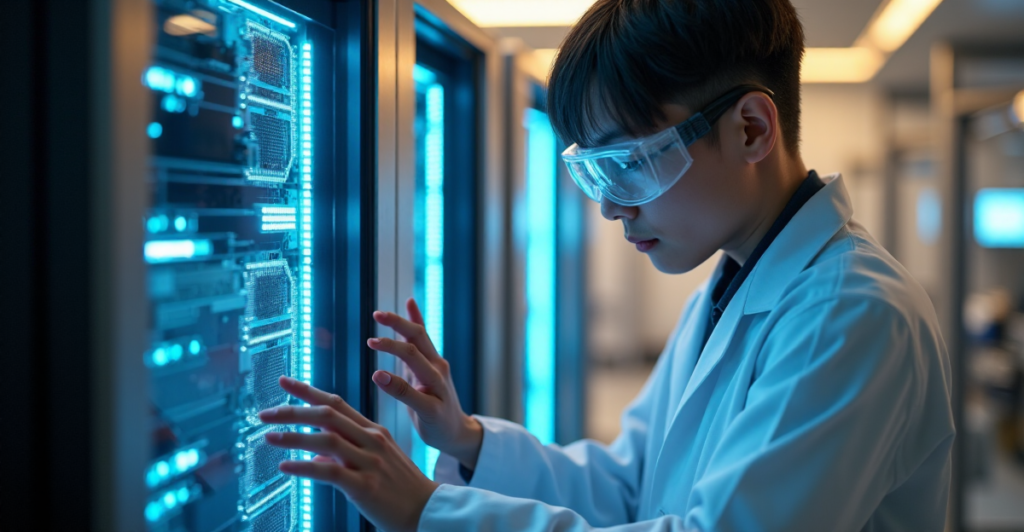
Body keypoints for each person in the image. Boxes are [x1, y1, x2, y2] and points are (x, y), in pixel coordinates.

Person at [259, 0, 955, 530]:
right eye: (595, 173)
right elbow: (632, 486)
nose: (611, 207)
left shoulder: (852, 313)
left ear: (751, 129)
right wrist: (467, 440)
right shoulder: (734, 283)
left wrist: (428, 512)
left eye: (629, 163)